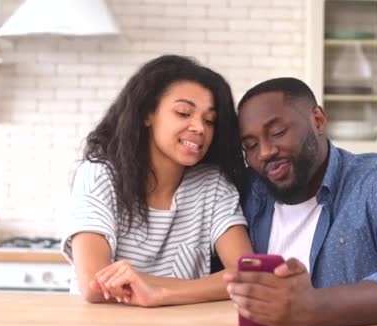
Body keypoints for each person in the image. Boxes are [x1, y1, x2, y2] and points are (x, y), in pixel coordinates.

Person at [224, 77, 377, 326]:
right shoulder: (245, 193)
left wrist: (312, 307)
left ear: (318, 120)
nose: (264, 152)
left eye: (278, 133)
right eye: (250, 146)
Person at [61, 55, 253, 306]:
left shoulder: (212, 185)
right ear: (147, 114)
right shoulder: (99, 175)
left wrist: (158, 293)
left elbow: (250, 275)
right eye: (184, 113)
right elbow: (93, 286)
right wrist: (197, 288)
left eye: (209, 120)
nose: (199, 128)